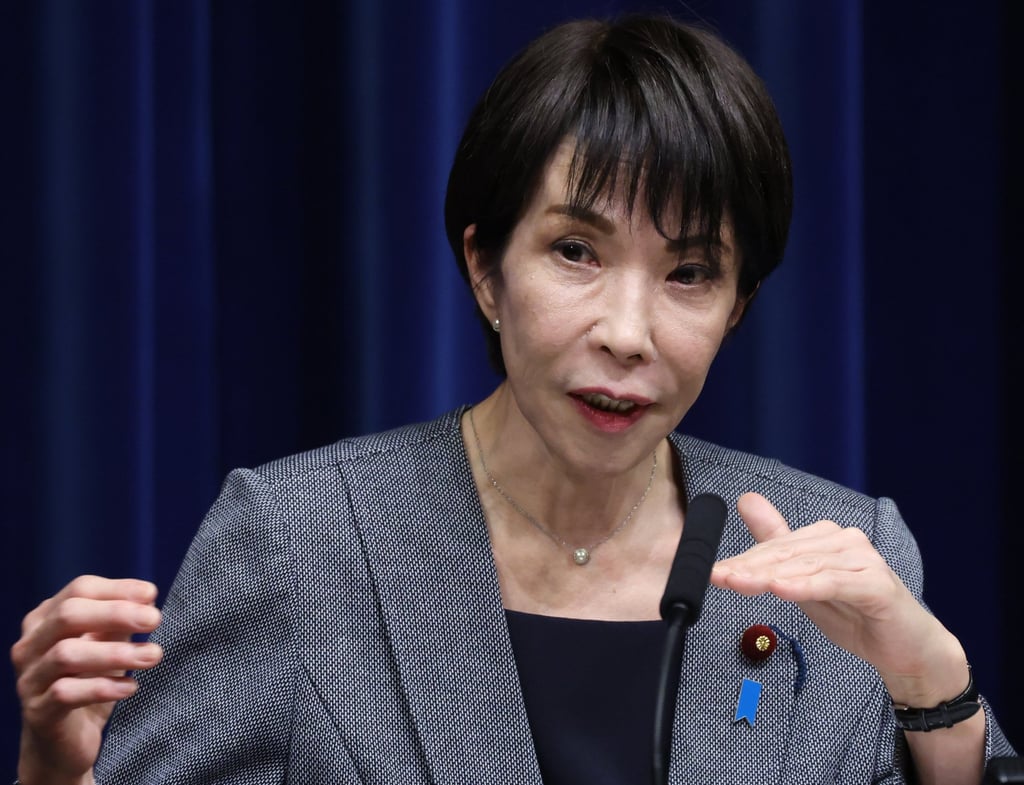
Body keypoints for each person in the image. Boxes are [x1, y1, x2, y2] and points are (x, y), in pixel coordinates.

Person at [11, 13, 1018, 785]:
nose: (628, 330)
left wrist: (936, 690)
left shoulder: (841, 558)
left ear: (737, 305)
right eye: (575, 251)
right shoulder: (300, 542)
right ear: (485, 268)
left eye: (689, 271)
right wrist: (54, 767)